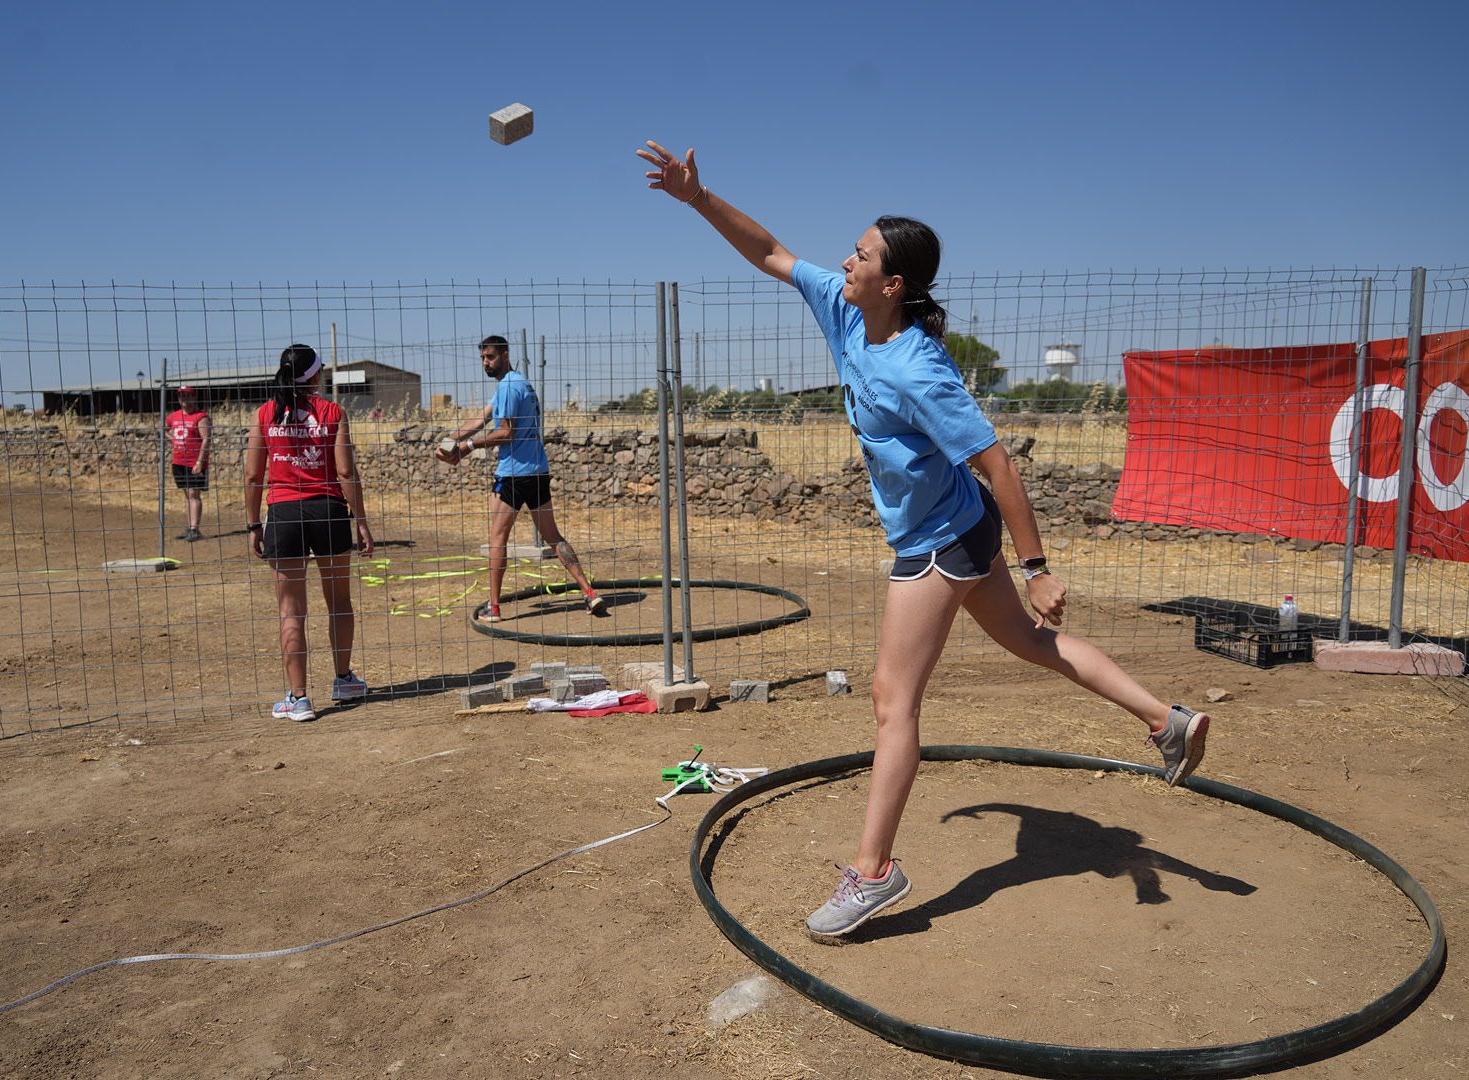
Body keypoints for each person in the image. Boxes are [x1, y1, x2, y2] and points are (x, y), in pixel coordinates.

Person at [637, 140, 1213, 939]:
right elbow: (770, 251)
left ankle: (874, 872)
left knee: (891, 702)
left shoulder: (919, 369)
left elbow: (998, 462)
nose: (847, 257)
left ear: (894, 283)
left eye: (863, 253)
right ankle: (1166, 721)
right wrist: (697, 198)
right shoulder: (843, 309)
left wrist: (1039, 565)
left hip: (945, 538)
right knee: (1032, 646)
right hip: (956, 526)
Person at [243, 344, 375, 722]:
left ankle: (298, 698)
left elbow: (253, 476)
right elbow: (347, 473)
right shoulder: (334, 412)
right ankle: (344, 679)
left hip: (283, 513)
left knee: (291, 611)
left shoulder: (264, 414)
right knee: (339, 602)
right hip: (330, 512)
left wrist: (254, 524)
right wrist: (361, 521)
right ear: (315, 376)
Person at [437, 335, 606, 621]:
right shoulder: (518, 383)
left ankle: (494, 607)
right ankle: (589, 593)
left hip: (513, 475)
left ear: (505, 354)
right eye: (482, 358)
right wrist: (448, 441)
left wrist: (467, 447)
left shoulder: (508, 387)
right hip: (538, 471)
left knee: (497, 540)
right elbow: (481, 418)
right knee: (553, 537)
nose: (485, 363)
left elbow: (506, 433)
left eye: (490, 357)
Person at [168, 385, 212, 541]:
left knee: (194, 494)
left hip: (194, 462)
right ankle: (190, 527)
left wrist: (200, 461)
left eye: (187, 395)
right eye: (181, 396)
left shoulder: (201, 417)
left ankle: (195, 528)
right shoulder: (174, 416)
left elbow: (206, 439)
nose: (184, 399)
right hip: (179, 461)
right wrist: (173, 439)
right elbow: (165, 429)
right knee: (187, 494)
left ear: (194, 397)